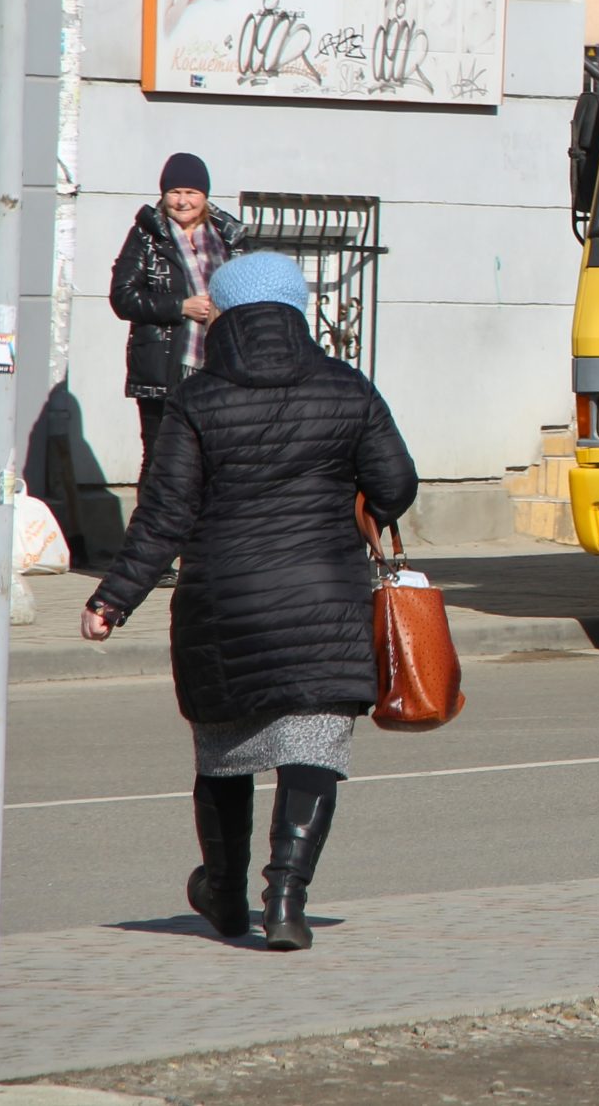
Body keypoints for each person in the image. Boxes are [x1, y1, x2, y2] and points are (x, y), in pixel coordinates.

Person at [81, 252, 419, 950]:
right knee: (314, 748)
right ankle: (287, 900)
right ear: (297, 310)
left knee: (226, 754)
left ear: (225, 315)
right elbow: (396, 485)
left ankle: (226, 896)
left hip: (222, 605)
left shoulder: (198, 398)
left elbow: (163, 515)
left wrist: (112, 600)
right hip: (325, 601)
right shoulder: (347, 387)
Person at [110, 154, 246, 486]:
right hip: (162, 369)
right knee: (160, 460)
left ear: (205, 195)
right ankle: (151, 535)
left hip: (219, 369)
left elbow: (250, 293)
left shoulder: (230, 236)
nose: (182, 201)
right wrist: (180, 306)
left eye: (191, 192)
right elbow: (123, 296)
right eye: (174, 192)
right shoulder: (147, 235)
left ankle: (199, 536)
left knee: (212, 460)